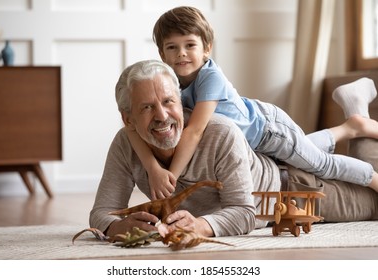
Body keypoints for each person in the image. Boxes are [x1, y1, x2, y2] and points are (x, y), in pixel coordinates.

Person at [89, 59, 378, 238]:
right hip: (265, 159)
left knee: (374, 204)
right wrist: (116, 227)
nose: (163, 116)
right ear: (128, 119)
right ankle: (354, 119)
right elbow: (101, 211)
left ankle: (359, 118)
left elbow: (244, 211)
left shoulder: (218, 132)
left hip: (293, 189)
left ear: (180, 101)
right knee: (316, 153)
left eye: (168, 102)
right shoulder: (125, 144)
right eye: (147, 107)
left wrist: (201, 225)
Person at [127, 6, 378, 200]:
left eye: (189, 45)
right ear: (162, 54)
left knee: (320, 164)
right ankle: (350, 127)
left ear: (206, 49)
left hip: (269, 132)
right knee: (301, 154)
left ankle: (373, 179)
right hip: (249, 141)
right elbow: (131, 127)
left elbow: (194, 131)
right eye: (172, 47)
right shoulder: (168, 80)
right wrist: (152, 169)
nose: (181, 53)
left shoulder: (210, 76)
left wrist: (171, 177)